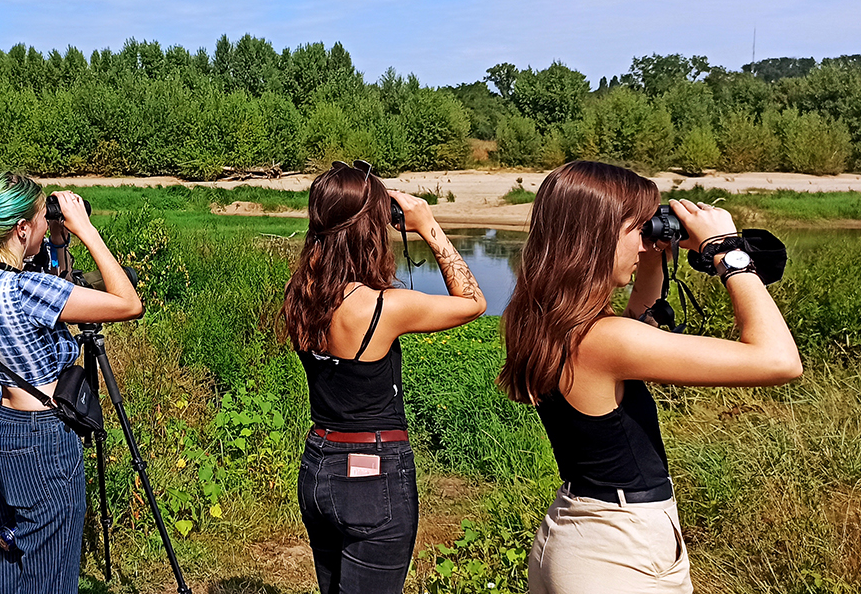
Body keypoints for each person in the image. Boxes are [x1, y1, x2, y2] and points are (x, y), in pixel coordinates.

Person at [499, 161, 803, 593]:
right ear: (598, 236)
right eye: (637, 231)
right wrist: (729, 254)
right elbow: (780, 361)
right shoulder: (605, 340)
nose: (645, 244)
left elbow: (641, 319)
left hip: (579, 533)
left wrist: (656, 253)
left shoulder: (544, 320)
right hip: (621, 550)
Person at [282, 160, 487, 594]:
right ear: (370, 229)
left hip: (318, 463)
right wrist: (429, 226)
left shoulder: (301, 292)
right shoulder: (383, 307)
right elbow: (473, 301)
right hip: (373, 472)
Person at [0, 173, 142, 594]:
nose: (46, 222)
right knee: (51, 572)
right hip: (40, 440)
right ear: (21, 228)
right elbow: (128, 303)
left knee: (7, 552)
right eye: (42, 217)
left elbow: (53, 291)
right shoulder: (26, 289)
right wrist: (86, 229)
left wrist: (57, 242)